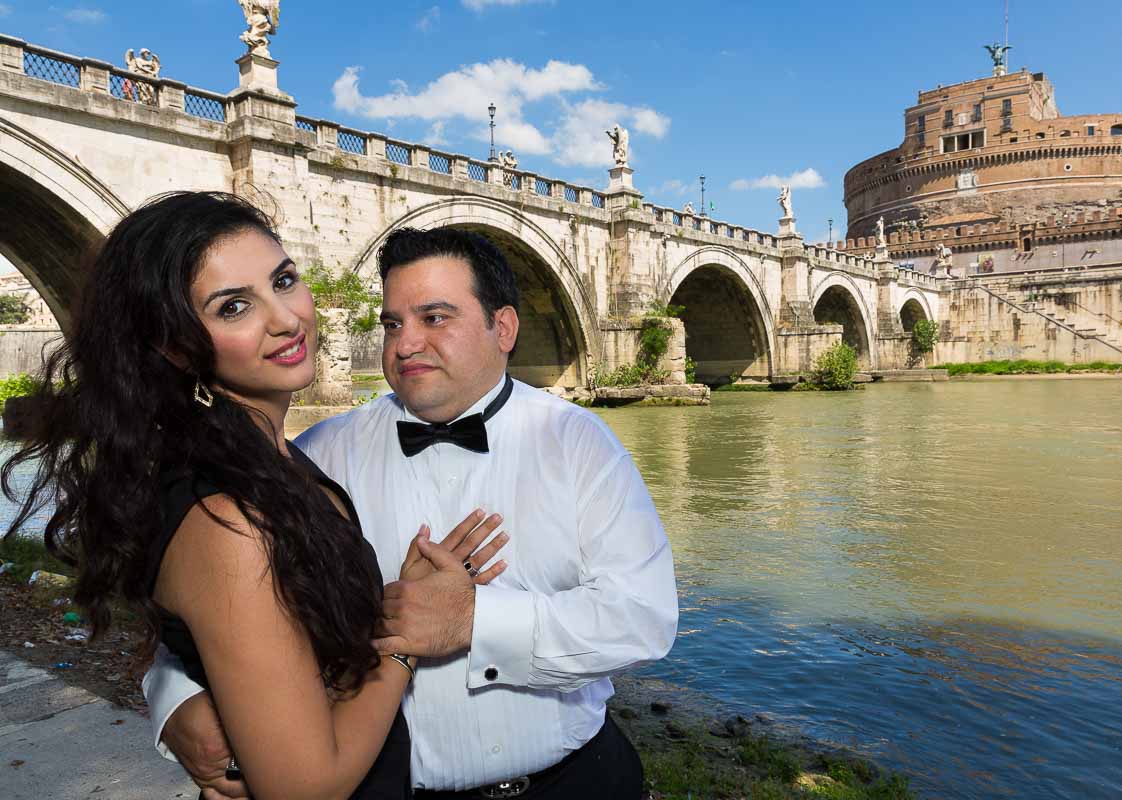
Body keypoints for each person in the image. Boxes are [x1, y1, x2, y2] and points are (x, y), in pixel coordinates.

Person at [2, 192, 509, 800]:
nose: (286, 318)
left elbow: (235, 640)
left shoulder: (275, 461)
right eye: (234, 306)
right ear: (175, 344)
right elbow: (305, 789)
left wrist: (178, 692)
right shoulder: (229, 519)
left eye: (284, 280)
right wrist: (405, 643)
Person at [148, 226, 680, 799]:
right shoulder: (317, 455)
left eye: (435, 318)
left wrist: (475, 621)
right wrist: (174, 696)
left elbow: (643, 616)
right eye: (392, 324)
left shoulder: (579, 442)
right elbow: (215, 599)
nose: (404, 345)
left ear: (502, 328)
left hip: (578, 779)